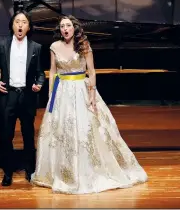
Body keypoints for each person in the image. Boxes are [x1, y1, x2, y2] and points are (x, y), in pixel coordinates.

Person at [31, 15, 148, 194]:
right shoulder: (54, 47)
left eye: (68, 25)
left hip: (81, 89)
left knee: (87, 130)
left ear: (74, 28)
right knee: (61, 131)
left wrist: (92, 94)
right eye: (62, 26)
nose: (65, 29)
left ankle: (89, 172)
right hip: (62, 91)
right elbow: (53, 72)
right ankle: (63, 173)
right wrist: (50, 95)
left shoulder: (84, 45)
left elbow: (92, 72)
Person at [0, 10, 45, 186]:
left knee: (28, 135)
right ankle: (8, 171)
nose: (20, 25)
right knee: (6, 136)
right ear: (12, 25)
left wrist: (40, 84)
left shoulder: (36, 47)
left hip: (27, 96)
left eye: (24, 22)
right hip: (8, 95)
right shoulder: (2, 44)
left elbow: (40, 73)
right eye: (17, 22)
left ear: (28, 27)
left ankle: (30, 169)